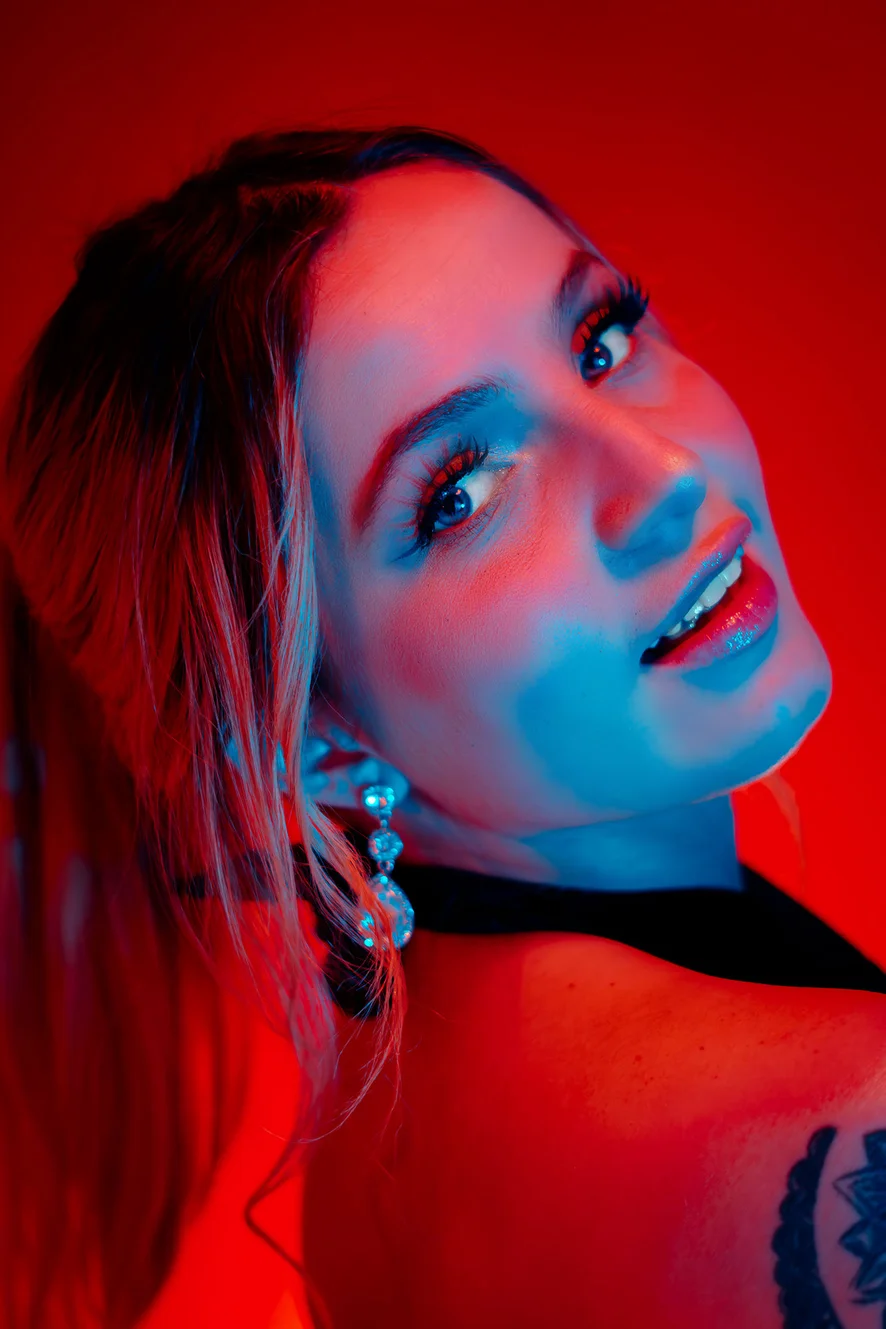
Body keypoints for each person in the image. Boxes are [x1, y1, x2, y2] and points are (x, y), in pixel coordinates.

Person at [1, 126, 883, 1329]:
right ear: (312, 739)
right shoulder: (842, 1121)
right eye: (462, 491)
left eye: (600, 342)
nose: (664, 472)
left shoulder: (385, 1141)